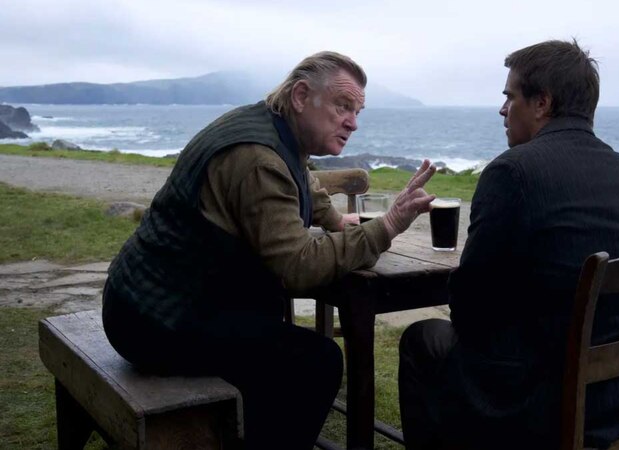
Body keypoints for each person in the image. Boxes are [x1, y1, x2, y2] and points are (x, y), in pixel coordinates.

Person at [102, 51, 436, 450]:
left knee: (272, 332)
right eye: (342, 106)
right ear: (300, 96)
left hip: (143, 299)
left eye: (357, 111)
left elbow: (303, 178)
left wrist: (333, 221)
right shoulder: (258, 159)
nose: (352, 122)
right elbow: (298, 267)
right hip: (153, 320)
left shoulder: (271, 127)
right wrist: (388, 226)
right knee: (316, 363)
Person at [398, 40, 619, 449]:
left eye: (510, 97)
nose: (503, 110)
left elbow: (469, 306)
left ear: (541, 103)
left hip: (539, 408)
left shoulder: (513, 173)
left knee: (422, 340)